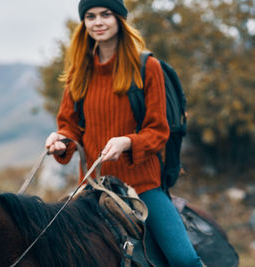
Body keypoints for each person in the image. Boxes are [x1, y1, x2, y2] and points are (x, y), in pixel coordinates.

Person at [45, 0, 202, 266]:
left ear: (119, 19)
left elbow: (158, 130)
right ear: (84, 23)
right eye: (91, 16)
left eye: (106, 14)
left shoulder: (147, 67)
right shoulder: (78, 73)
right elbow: (69, 125)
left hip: (142, 186)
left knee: (183, 259)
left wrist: (128, 141)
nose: (98, 22)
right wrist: (61, 140)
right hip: (93, 188)